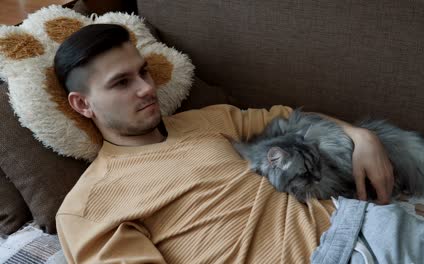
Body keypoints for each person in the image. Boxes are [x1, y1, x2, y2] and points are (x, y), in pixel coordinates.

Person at [54, 24, 394, 263]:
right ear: (83, 104)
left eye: (143, 72)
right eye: (122, 83)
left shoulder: (205, 120)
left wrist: (360, 135)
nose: (146, 88)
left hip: (367, 224)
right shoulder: (86, 209)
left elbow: (290, 118)